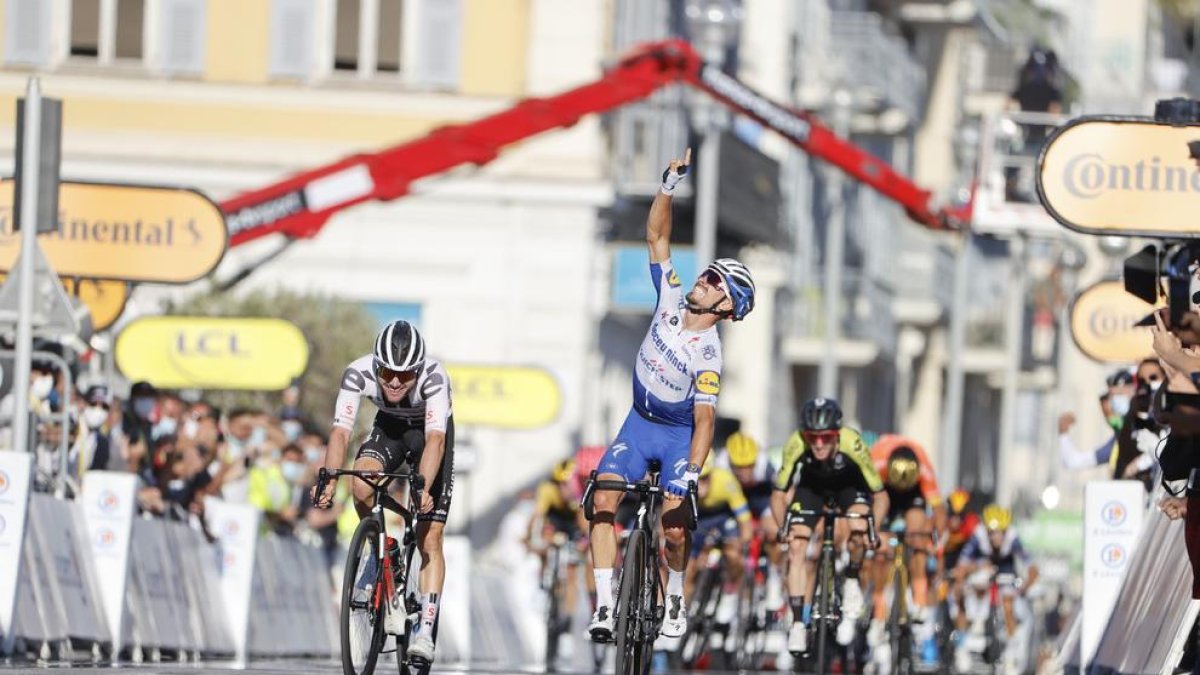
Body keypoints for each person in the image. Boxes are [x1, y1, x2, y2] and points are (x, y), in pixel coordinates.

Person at [586, 149, 757, 643]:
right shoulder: (670, 296)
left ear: (726, 305)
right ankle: (603, 606)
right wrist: (667, 184)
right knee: (602, 500)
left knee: (675, 527)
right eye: (706, 274)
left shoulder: (709, 353)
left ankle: (676, 591)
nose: (701, 280)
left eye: (713, 282)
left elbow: (705, 422)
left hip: (678, 435)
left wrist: (689, 473)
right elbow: (657, 237)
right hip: (639, 423)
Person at [314, 319, 454, 665]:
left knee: (430, 538)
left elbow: (436, 440)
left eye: (405, 376)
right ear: (375, 364)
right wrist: (329, 478)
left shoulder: (435, 377)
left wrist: (421, 487)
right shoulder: (356, 373)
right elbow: (341, 433)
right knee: (359, 482)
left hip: (428, 437)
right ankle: (378, 553)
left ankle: (425, 627)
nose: (394, 381)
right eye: (387, 372)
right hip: (389, 429)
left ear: (418, 371)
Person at [772, 397, 888, 654]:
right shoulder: (796, 443)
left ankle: (852, 577)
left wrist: (873, 530)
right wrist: (783, 528)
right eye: (813, 437)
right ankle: (799, 624)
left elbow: (880, 496)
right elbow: (778, 494)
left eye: (826, 437)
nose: (819, 444)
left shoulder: (853, 444)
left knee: (859, 528)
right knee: (797, 546)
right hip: (811, 488)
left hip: (849, 486)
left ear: (837, 434)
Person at [868, 435, 946, 664]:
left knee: (918, 536)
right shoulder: (877, 462)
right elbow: (865, 502)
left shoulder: (924, 468)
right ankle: (879, 609)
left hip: (914, 497)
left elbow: (939, 510)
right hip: (883, 493)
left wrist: (934, 537)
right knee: (880, 549)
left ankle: (919, 599)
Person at [953, 504, 1039, 671]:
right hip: (983, 568)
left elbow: (1032, 566)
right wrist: (974, 570)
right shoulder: (978, 536)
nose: (996, 537)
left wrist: (1025, 586)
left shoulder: (1013, 538)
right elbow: (961, 566)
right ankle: (967, 639)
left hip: (1006, 570)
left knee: (1008, 603)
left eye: (1000, 532)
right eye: (992, 533)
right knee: (970, 590)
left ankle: (1011, 653)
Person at [526, 459, 589, 637]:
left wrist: (584, 540)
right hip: (554, 519)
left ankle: (568, 615)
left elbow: (582, 520)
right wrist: (529, 536)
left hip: (572, 523)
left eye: (566, 484)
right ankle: (544, 580)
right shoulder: (547, 490)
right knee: (546, 541)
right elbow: (537, 516)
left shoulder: (578, 491)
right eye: (560, 484)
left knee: (571, 572)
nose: (564, 488)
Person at [690, 457, 753, 624]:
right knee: (688, 566)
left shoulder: (725, 480)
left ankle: (730, 593)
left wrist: (742, 542)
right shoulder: (684, 483)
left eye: (705, 478)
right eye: (698, 479)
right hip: (699, 518)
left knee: (733, 554)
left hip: (723, 517)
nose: (701, 484)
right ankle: (685, 606)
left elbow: (744, 517)